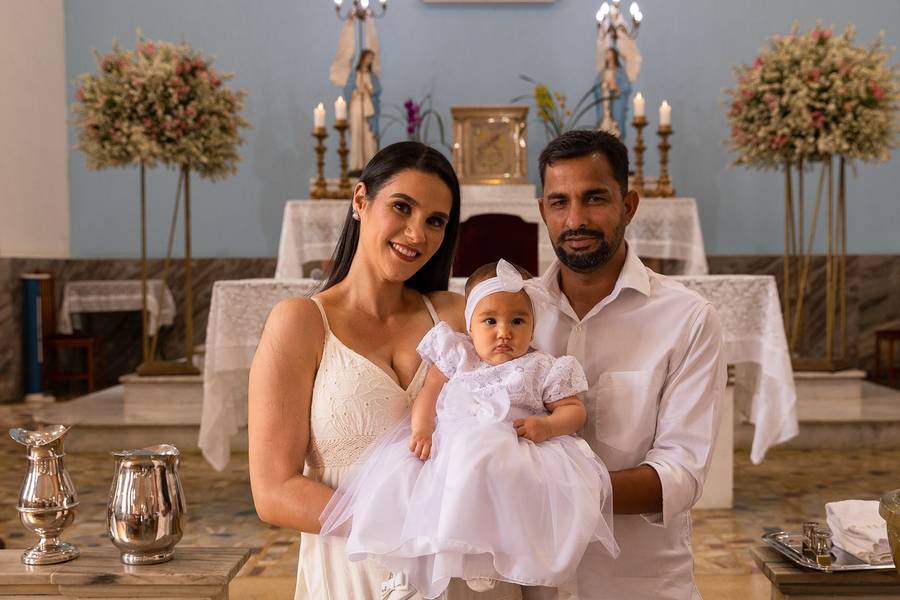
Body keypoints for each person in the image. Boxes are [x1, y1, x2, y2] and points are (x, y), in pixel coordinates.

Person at [248, 141, 520, 600]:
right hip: (358, 572)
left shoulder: (458, 316)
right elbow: (273, 492)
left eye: (435, 221)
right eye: (402, 207)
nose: (417, 234)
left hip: (468, 575)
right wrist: (413, 524)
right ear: (360, 201)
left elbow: (518, 409)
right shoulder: (301, 323)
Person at [319, 260, 618, 600]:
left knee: (505, 501)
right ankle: (409, 570)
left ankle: (487, 564)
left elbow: (573, 411)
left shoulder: (543, 367)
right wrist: (422, 428)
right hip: (451, 447)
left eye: (517, 321)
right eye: (490, 321)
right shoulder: (458, 355)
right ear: (470, 327)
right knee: (409, 492)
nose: (503, 332)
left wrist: (548, 425)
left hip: (513, 447)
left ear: (533, 329)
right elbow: (429, 395)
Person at [525, 130, 727, 600]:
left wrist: (553, 492)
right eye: (559, 202)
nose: (575, 219)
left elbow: (680, 476)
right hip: (532, 584)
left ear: (630, 205)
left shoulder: (687, 319)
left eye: (594, 198)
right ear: (542, 212)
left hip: (637, 585)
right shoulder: (513, 317)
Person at [344, 48, 382, 174]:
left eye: (372, 58)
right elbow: (347, 91)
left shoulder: (372, 76)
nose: (370, 60)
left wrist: (369, 89)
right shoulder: (354, 75)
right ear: (363, 58)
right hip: (356, 106)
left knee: (369, 135)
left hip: (368, 108)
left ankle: (369, 164)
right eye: (368, 57)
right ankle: (356, 164)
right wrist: (356, 92)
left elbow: (377, 90)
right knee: (356, 134)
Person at [593, 47, 631, 140]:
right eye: (606, 54)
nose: (607, 56)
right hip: (605, 103)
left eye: (608, 53)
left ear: (614, 55)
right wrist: (603, 87)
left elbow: (626, 88)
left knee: (616, 131)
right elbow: (596, 89)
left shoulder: (620, 73)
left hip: (615, 104)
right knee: (603, 129)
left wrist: (616, 87)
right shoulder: (602, 73)